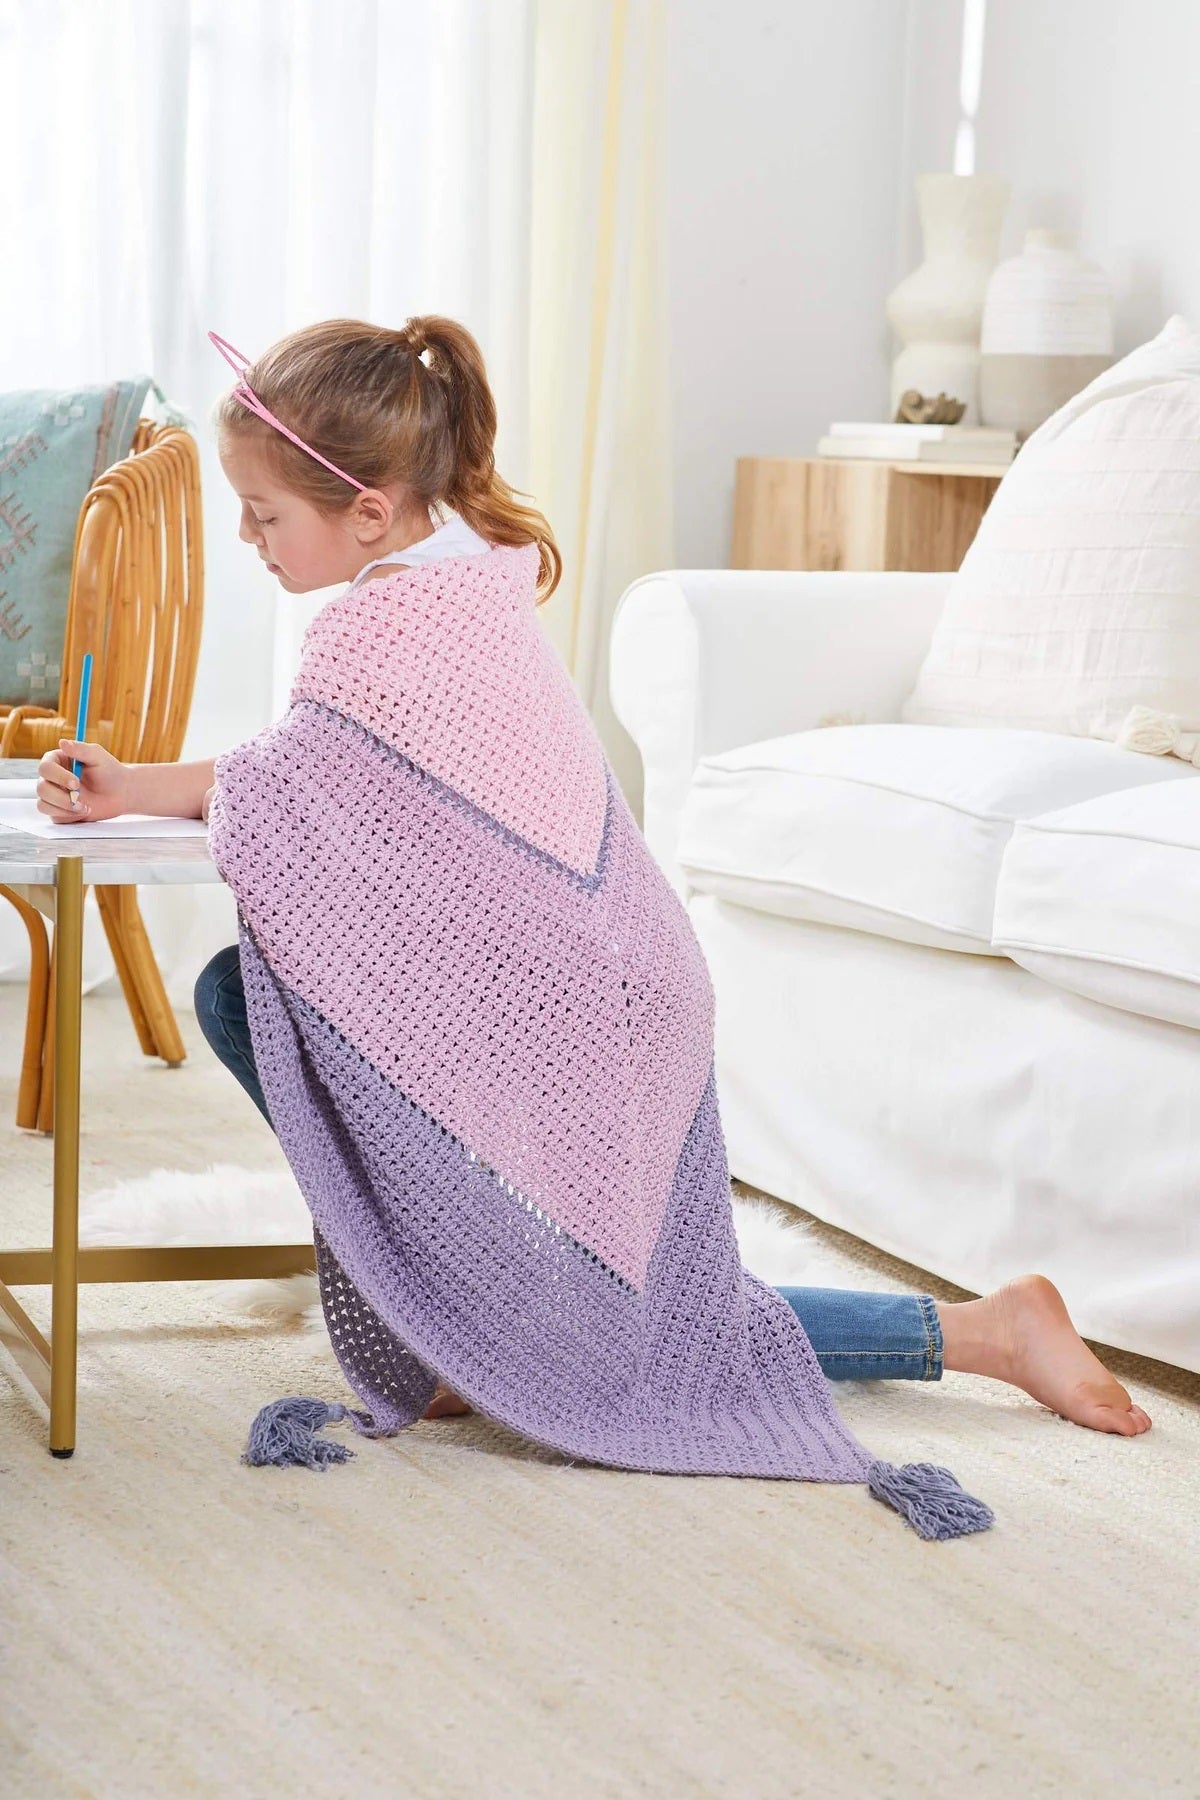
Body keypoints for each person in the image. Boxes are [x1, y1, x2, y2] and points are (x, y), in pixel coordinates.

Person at [35, 316, 1151, 1450]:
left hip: (571, 1010)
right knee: (253, 999)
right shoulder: (461, 582)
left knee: (636, 1331)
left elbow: (296, 782)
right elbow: (307, 774)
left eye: (265, 514)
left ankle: (980, 1332)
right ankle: (459, 1317)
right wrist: (135, 786)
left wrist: (132, 789)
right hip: (608, 988)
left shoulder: (383, 627)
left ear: (366, 512)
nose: (248, 536)